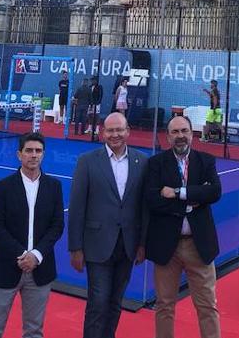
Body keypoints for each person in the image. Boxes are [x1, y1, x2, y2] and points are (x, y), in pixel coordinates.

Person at [68, 112, 148, 338]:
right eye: (110, 130)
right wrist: (75, 247)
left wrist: (142, 244)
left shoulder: (141, 161)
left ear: (128, 131)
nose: (115, 135)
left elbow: (144, 208)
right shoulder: (87, 161)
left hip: (127, 246)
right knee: (98, 302)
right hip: (96, 245)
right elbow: (76, 207)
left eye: (119, 130)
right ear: (103, 133)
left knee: (115, 303)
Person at [0, 132, 64, 338]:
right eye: (29, 151)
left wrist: (36, 255)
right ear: (19, 154)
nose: (33, 155)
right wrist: (22, 255)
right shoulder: (3, 188)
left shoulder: (54, 187)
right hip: (5, 268)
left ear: (43, 154)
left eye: (38, 151)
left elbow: (57, 226)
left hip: (40, 271)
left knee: (34, 332)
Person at [145, 115, 222, 338]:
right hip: (167, 247)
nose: (180, 136)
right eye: (175, 132)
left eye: (184, 131)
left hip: (199, 246)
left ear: (192, 134)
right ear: (168, 137)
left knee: (207, 306)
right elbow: (152, 200)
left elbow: (214, 192)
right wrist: (192, 203)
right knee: (164, 306)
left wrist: (179, 193)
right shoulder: (156, 164)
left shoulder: (206, 161)